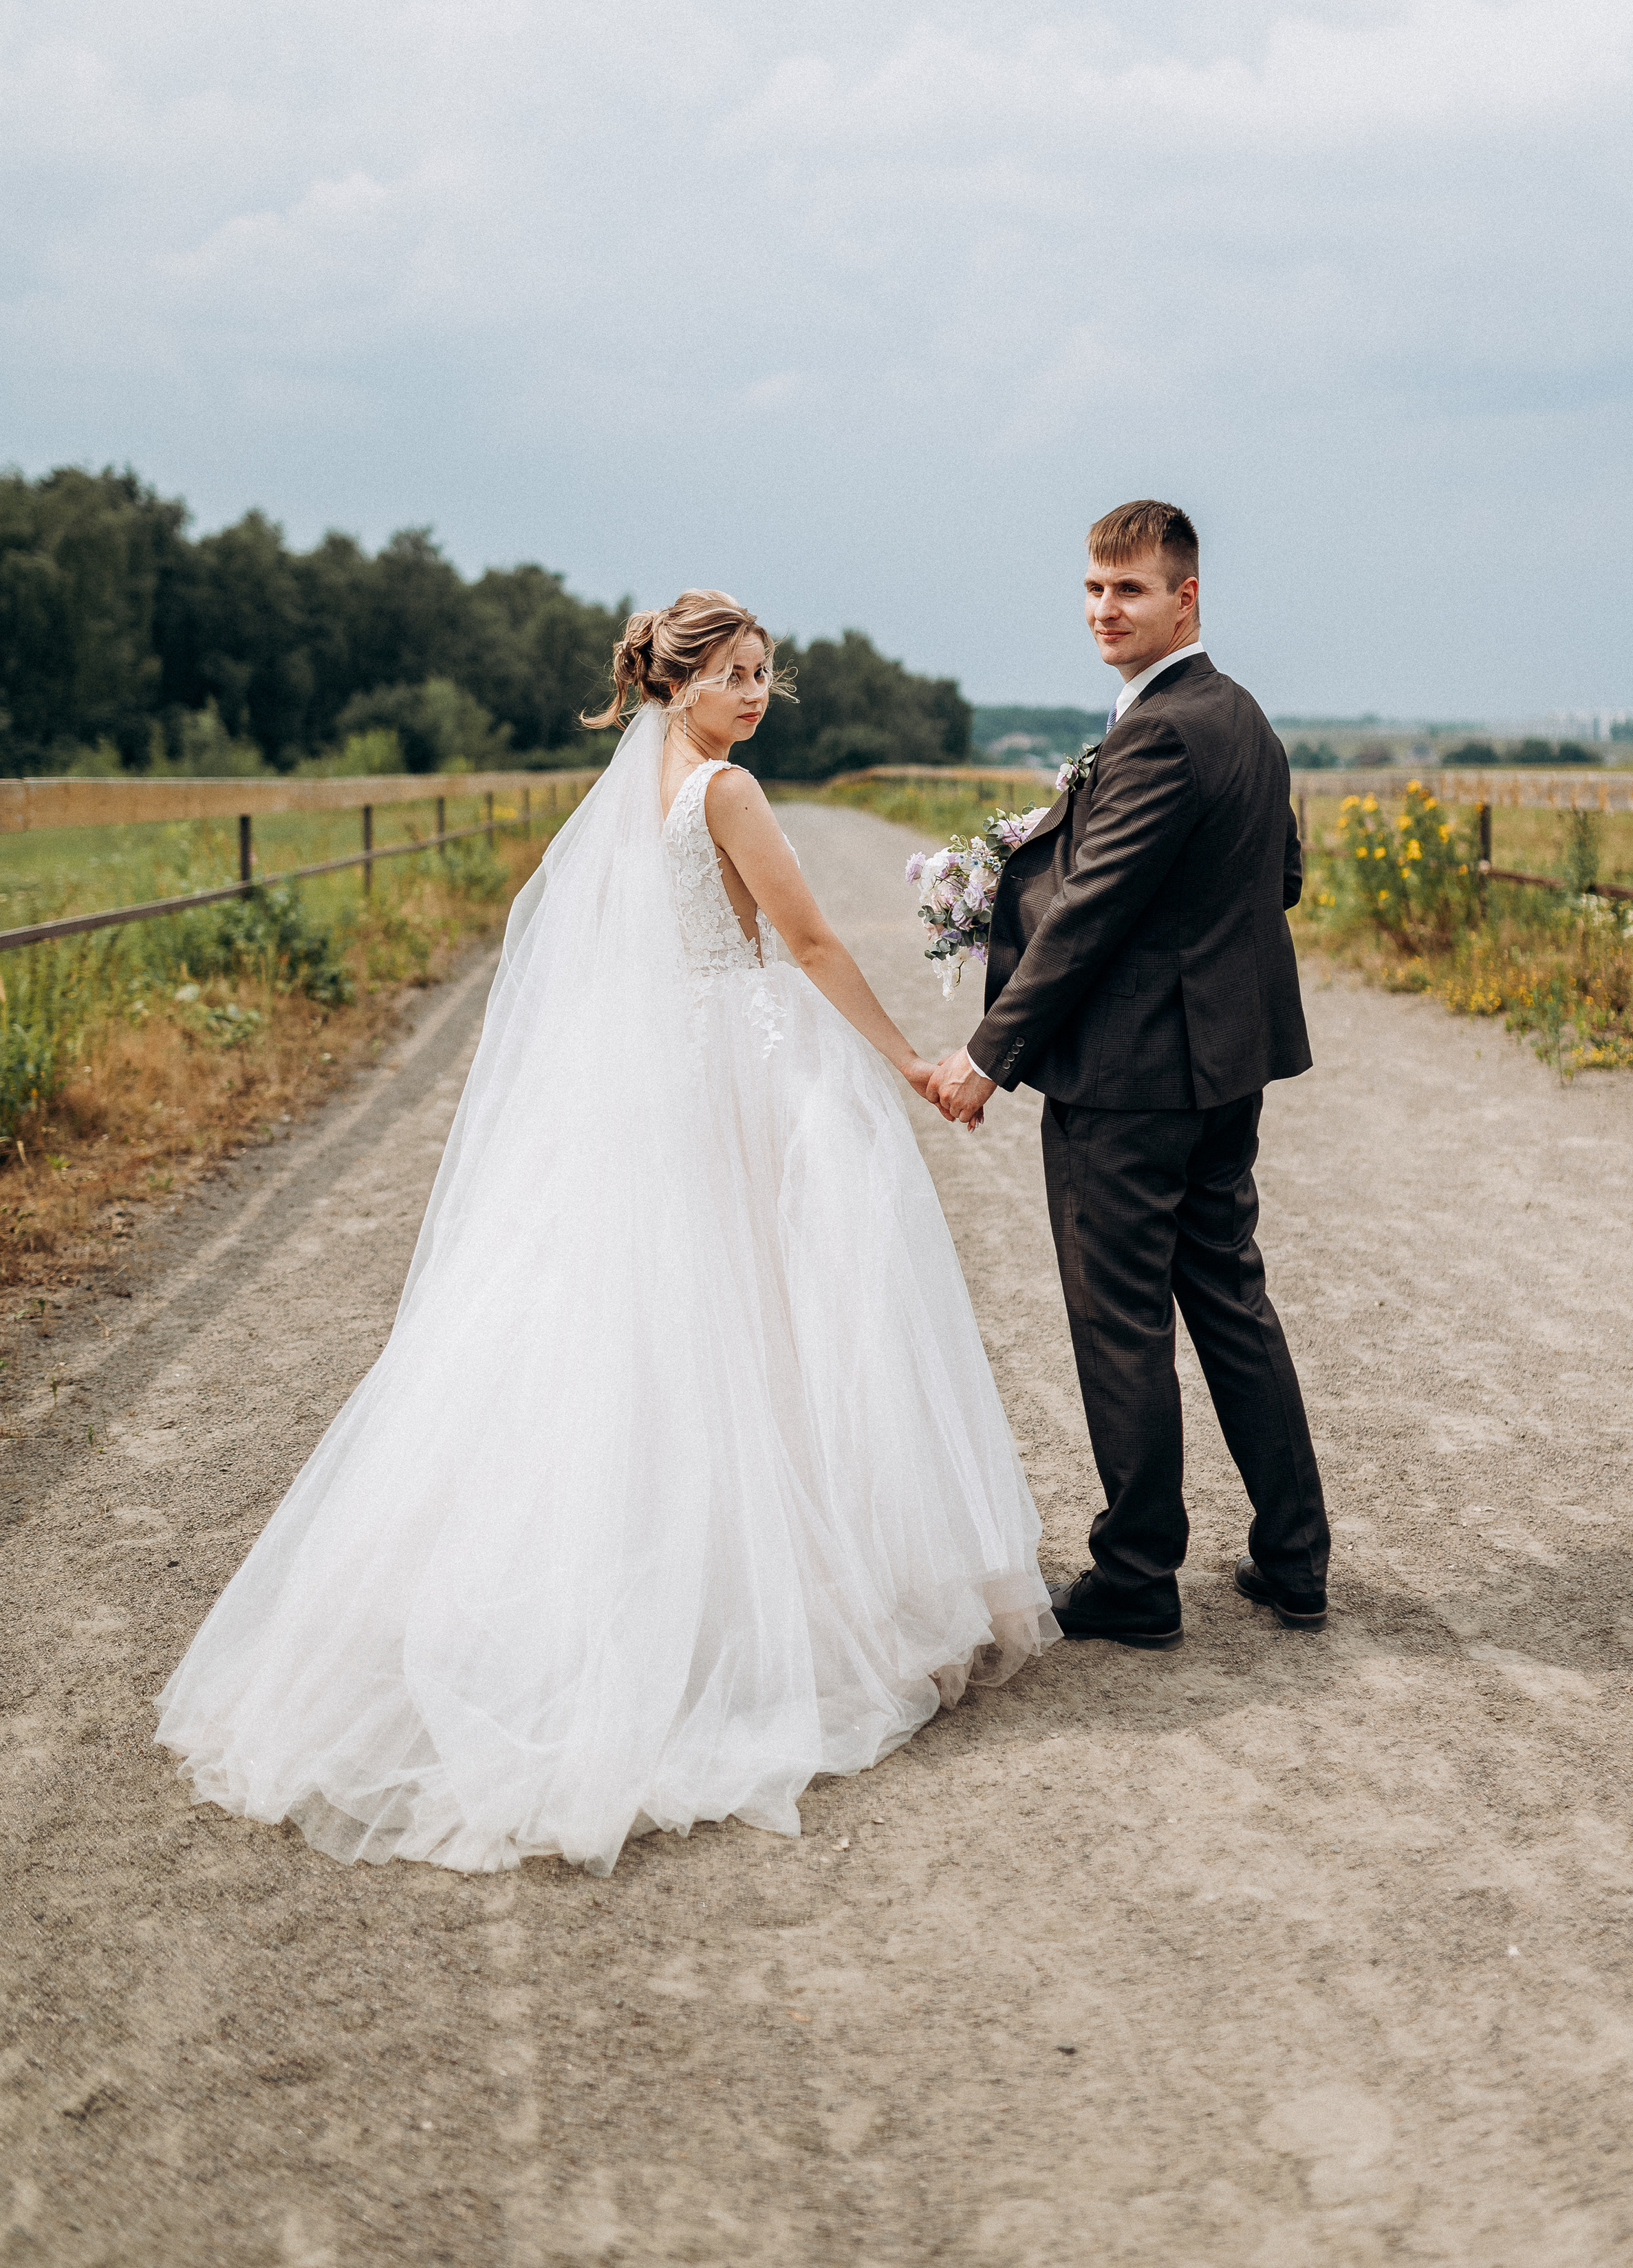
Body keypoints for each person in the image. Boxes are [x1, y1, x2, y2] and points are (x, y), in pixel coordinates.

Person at [156, 591, 1055, 1875]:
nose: (755, 695)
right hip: (740, 1063)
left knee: (659, 1318)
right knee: (767, 1306)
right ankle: (764, 1592)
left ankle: (661, 1573)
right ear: (676, 684)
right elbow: (800, 939)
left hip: (656, 1074)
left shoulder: (632, 795)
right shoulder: (728, 794)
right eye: (735, 675)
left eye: (765, 675)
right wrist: (910, 1058)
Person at [929, 502, 1329, 1645]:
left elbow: (1094, 907)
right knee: (1229, 1298)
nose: (1107, 611)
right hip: (1223, 1070)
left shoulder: (1158, 730)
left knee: (1121, 1321)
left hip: (1131, 1080)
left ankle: (1139, 1575)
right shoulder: (1241, 717)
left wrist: (987, 1056)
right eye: (1095, 591)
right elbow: (1279, 876)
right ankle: (1295, 1558)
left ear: (1185, 598)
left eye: (1132, 592)